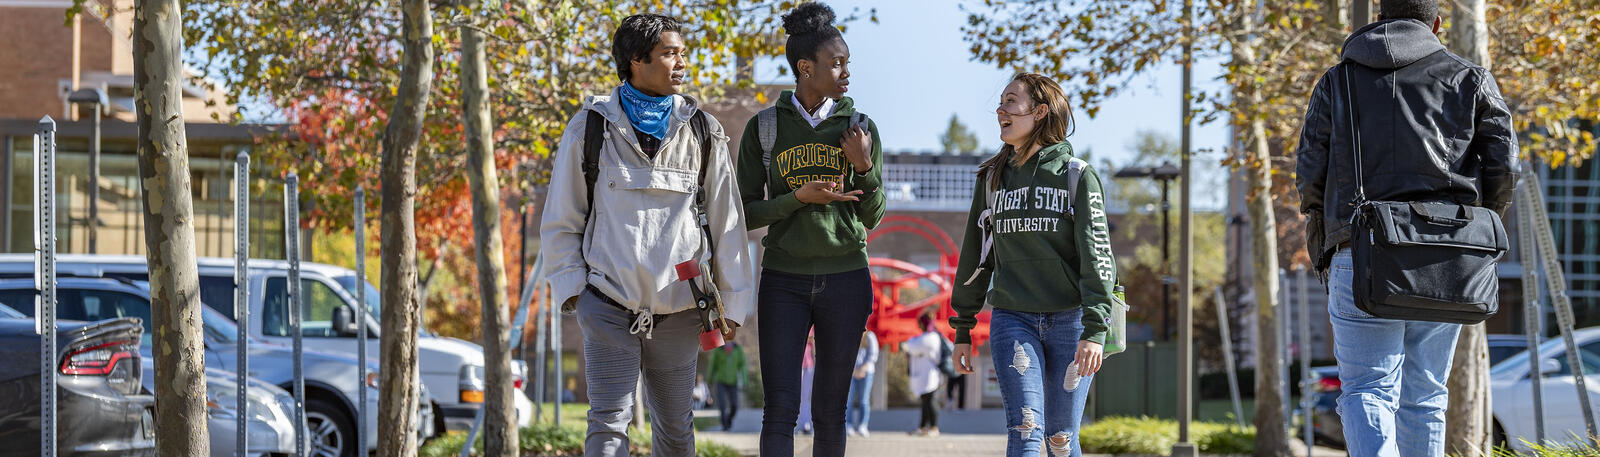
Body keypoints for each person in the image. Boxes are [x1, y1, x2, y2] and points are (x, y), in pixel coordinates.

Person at [1293, 1, 1517, 455]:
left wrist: (1328, 236)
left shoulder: (1337, 81)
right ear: (1436, 24)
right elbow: (1505, 166)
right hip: (1447, 257)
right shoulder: (1470, 78)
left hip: (1359, 252)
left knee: (1367, 390)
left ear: (1377, 17)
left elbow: (1309, 173)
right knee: (1426, 396)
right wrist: (1476, 229)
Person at [540, 13, 755, 457]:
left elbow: (727, 223)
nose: (681, 63)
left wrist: (732, 305)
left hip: (680, 310)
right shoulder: (590, 127)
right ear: (636, 59)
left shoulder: (704, 131)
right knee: (607, 425)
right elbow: (562, 219)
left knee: (676, 432)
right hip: (607, 305)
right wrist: (576, 291)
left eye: (682, 53)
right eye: (669, 54)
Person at [736, 2, 884, 456]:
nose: (845, 72)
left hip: (846, 279)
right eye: (836, 63)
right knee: (779, 408)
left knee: (830, 410)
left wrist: (863, 169)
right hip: (784, 280)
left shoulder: (861, 129)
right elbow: (742, 214)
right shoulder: (764, 128)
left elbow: (873, 216)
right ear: (805, 68)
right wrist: (797, 199)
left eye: (847, 62)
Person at [948, 73, 1116, 457]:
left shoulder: (1077, 175)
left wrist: (1095, 329)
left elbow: (1098, 255)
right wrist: (962, 326)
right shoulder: (991, 180)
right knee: (1025, 430)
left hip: (1071, 322)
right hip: (1013, 319)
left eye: (1011, 102)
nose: (1000, 110)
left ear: (1039, 112)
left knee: (1060, 439)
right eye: (1001, 102)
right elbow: (976, 255)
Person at [903, 314, 945, 437]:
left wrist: (908, 346)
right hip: (926, 375)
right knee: (925, 401)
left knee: (931, 401)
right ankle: (923, 427)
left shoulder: (929, 338)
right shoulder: (932, 337)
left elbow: (910, 346)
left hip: (930, 376)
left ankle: (934, 427)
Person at [706, 342, 746, 431]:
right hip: (720, 381)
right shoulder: (718, 350)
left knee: (734, 405)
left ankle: (729, 419)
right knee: (722, 404)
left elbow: (742, 365)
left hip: (733, 381)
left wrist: (744, 379)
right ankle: (725, 425)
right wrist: (709, 379)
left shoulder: (738, 349)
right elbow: (712, 365)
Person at [846, 329, 879, 437]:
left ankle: (863, 425)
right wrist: (854, 371)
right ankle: (848, 425)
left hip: (866, 372)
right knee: (848, 400)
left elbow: (873, 355)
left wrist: (862, 369)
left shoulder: (870, 336)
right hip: (851, 372)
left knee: (864, 400)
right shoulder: (850, 333)